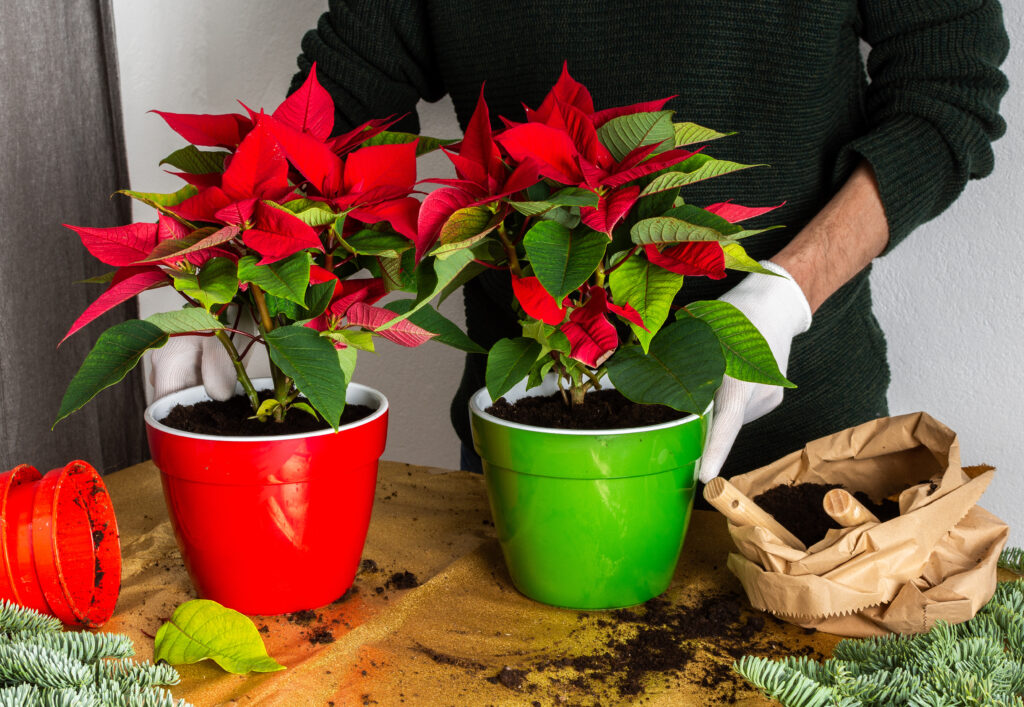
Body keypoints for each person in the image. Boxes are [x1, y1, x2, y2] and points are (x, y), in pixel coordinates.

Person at [152, 0, 1009, 481]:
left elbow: (947, 89)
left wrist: (784, 293)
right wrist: (227, 281)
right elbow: (341, 99)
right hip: (535, 451)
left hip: (808, 458)